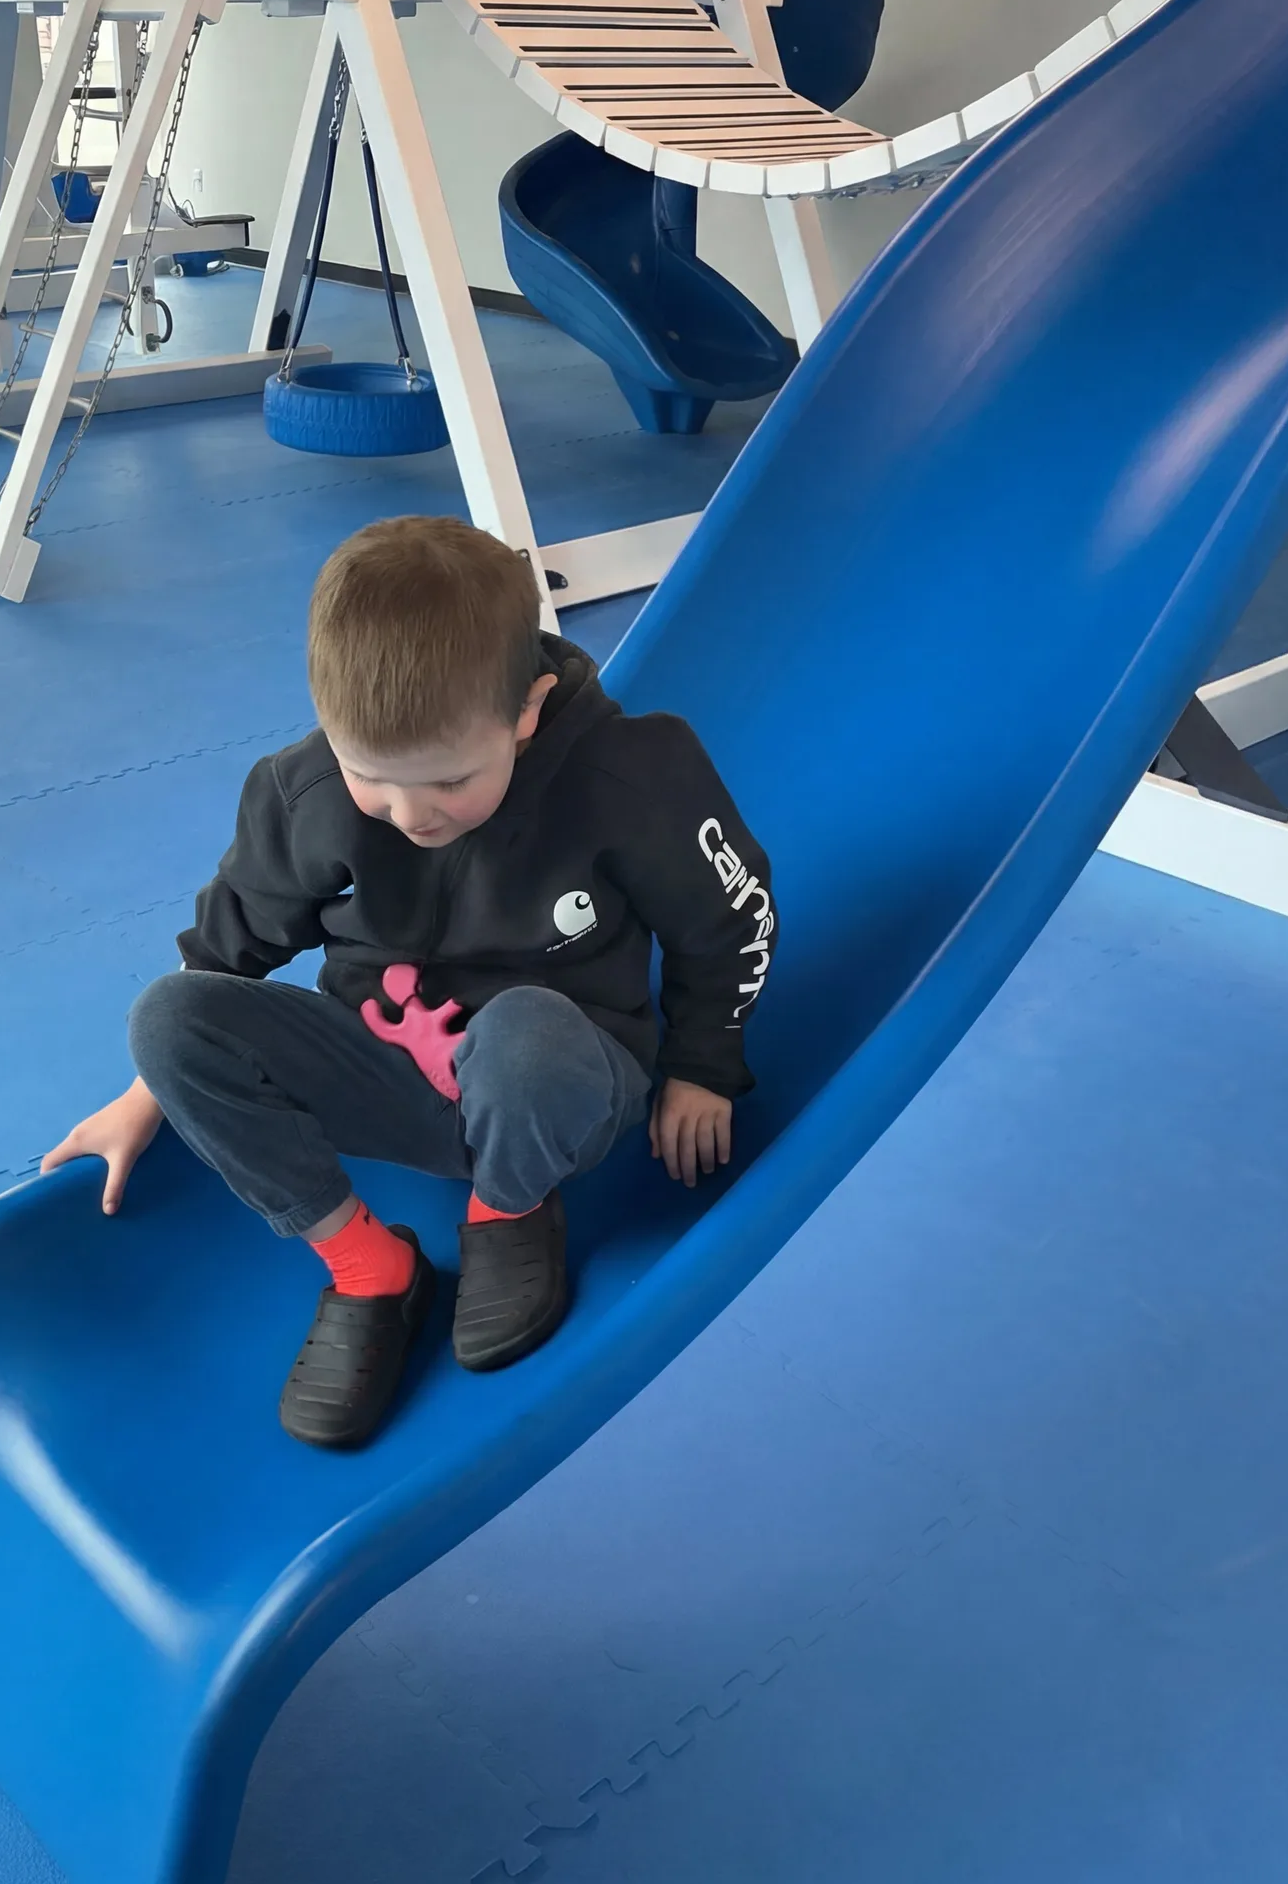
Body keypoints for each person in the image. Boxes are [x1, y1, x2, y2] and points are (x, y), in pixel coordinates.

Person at [43, 516, 774, 1451]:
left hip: (553, 1082)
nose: (409, 813)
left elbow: (731, 918)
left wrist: (704, 1067)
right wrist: (153, 1093)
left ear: (528, 709)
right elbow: (229, 943)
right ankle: (368, 1264)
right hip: (390, 1075)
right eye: (371, 778)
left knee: (525, 1035)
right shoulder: (307, 793)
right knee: (167, 1016)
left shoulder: (629, 774)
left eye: (449, 781)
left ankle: (507, 1209)